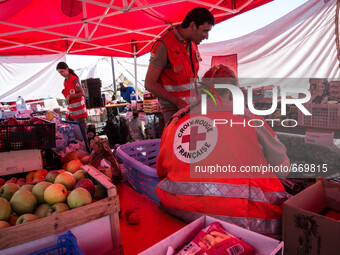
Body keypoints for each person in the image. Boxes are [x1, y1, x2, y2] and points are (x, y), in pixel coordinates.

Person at [155, 65, 291, 238]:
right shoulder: (249, 119)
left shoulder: (176, 121)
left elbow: (162, 171)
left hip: (178, 214)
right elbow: (282, 169)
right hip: (249, 225)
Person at [145, 7, 215, 124]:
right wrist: (177, 102)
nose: (206, 36)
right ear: (192, 25)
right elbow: (149, 84)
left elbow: (190, 79)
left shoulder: (193, 44)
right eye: (204, 31)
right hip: (174, 112)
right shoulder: (164, 45)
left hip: (192, 108)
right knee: (178, 142)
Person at [56, 62, 88, 141]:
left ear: (67, 69)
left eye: (62, 71)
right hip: (71, 113)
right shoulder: (65, 81)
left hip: (79, 114)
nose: (61, 74)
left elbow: (82, 93)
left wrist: (70, 96)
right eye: (59, 72)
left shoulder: (74, 79)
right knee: (72, 136)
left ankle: (87, 152)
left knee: (82, 136)